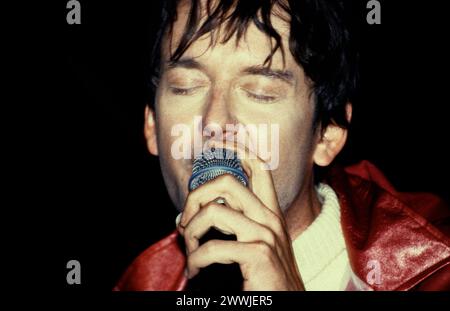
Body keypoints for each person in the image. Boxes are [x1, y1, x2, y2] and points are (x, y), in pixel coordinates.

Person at [113, 0, 450, 291]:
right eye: (186, 87)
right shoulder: (139, 284)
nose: (214, 123)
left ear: (328, 133)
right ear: (152, 124)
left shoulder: (435, 270)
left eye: (261, 92)